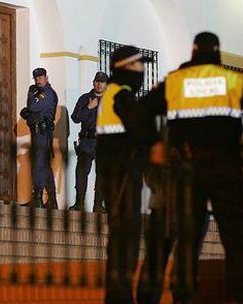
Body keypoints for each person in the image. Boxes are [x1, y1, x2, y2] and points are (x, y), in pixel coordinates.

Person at [131, 32, 243, 304]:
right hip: (227, 168)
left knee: (187, 240)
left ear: (193, 50)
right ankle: (240, 296)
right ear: (218, 51)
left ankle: (183, 296)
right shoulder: (233, 80)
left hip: (186, 170)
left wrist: (154, 144)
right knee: (234, 240)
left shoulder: (175, 82)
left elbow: (139, 113)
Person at [96, 45, 151, 304]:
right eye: (140, 65)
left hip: (115, 173)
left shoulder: (112, 93)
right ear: (127, 67)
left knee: (120, 235)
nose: (143, 70)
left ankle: (117, 295)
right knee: (125, 235)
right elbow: (140, 130)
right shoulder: (121, 95)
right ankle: (121, 296)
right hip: (123, 175)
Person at [69, 71, 108, 213]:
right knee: (81, 172)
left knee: (102, 174)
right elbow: (75, 117)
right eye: (97, 81)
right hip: (87, 141)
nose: (99, 84)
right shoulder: (85, 98)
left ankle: (98, 205)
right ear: (93, 83)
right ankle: (79, 203)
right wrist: (89, 108)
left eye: (102, 82)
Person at [20, 68, 58, 209]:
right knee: (43, 165)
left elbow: (32, 107)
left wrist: (28, 111)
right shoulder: (37, 92)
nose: (38, 80)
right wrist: (29, 113)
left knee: (38, 164)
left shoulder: (47, 93)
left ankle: (38, 199)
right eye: (36, 78)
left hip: (43, 133)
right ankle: (52, 199)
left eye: (41, 78)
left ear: (46, 78)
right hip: (37, 132)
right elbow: (31, 112)